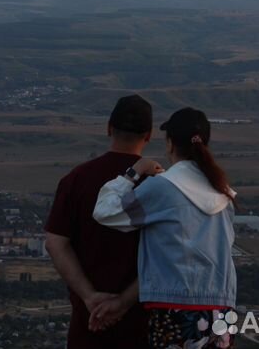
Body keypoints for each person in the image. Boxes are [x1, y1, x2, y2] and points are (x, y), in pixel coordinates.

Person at [93, 107, 238, 349]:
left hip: (175, 308)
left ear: (170, 144)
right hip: (222, 308)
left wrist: (134, 172)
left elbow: (105, 211)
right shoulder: (224, 193)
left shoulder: (163, 188)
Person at [45, 94, 153, 349]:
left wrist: (90, 297)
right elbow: (167, 255)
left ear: (108, 128)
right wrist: (123, 303)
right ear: (148, 136)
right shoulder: (158, 186)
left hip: (88, 321)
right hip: (142, 323)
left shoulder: (77, 179)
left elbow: (55, 243)